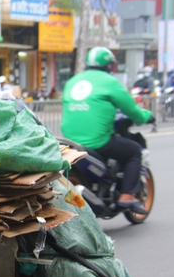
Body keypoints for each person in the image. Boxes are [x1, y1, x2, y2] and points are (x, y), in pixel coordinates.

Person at [61, 46, 153, 214]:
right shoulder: (110, 82)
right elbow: (133, 111)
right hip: (97, 140)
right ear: (109, 66)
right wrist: (147, 116)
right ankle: (126, 196)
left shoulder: (72, 81)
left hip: (70, 139)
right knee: (134, 152)